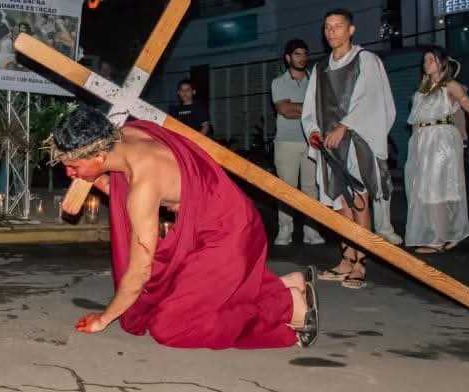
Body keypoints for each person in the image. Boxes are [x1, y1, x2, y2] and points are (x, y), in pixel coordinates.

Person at [51, 106, 318, 348]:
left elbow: (140, 271)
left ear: (99, 156)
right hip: (222, 217)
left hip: (227, 235)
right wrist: (98, 180)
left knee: (170, 326)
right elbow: (127, 189)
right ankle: (286, 285)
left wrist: (104, 318)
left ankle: (286, 305)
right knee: (173, 293)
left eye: (73, 166)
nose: (69, 174)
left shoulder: (144, 185)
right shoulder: (129, 133)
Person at [302, 9, 395, 289]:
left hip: (356, 140)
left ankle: (360, 263)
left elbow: (370, 99)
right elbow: (311, 107)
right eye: (327, 27)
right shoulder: (320, 68)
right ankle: (346, 258)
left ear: (351, 30)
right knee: (340, 202)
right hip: (329, 145)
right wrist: (314, 131)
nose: (331, 32)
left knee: (358, 199)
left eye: (338, 26)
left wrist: (344, 126)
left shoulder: (366, 60)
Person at [404, 47, 469, 253]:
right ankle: (450, 232)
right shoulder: (422, 89)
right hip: (422, 140)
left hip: (442, 140)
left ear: (442, 63)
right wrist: (414, 147)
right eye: (425, 60)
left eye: (431, 59)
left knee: (436, 188)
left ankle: (438, 240)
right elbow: (415, 121)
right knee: (424, 188)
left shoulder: (450, 85)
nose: (426, 63)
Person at [270, 39, 324, 246]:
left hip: (312, 141)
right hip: (286, 142)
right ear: (288, 58)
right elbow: (284, 110)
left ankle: (312, 231)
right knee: (287, 189)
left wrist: (297, 107)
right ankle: (285, 231)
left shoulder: (315, 81)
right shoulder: (279, 82)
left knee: (311, 188)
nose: (302, 58)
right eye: (297, 54)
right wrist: (311, 109)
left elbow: (322, 108)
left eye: (304, 54)